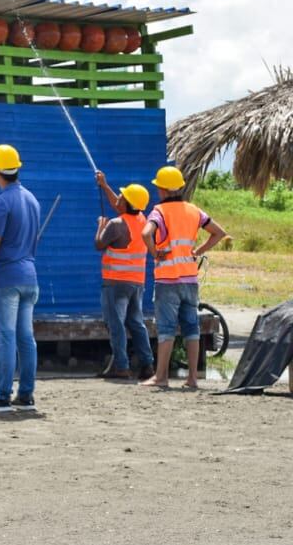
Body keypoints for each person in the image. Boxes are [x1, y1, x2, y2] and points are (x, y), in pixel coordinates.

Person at [139, 166, 228, 390]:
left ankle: (161, 377)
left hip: (167, 280)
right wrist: (198, 250)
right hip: (189, 279)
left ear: (164, 190)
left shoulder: (159, 211)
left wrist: (154, 251)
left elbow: (145, 233)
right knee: (191, 328)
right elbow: (218, 232)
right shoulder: (193, 210)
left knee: (167, 328)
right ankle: (193, 379)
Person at [0, 144, 41, 413]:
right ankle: (25, 394)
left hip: (4, 279)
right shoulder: (32, 199)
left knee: (5, 338)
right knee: (26, 338)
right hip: (29, 276)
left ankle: (2, 395)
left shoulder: (1, 202)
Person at [93, 172, 155, 381]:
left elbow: (99, 244)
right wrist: (104, 185)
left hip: (115, 283)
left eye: (122, 196)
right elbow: (118, 206)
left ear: (127, 203)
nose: (118, 198)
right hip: (136, 283)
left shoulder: (115, 224)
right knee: (136, 323)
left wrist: (100, 226)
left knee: (116, 323)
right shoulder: (141, 220)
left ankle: (121, 366)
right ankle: (148, 364)